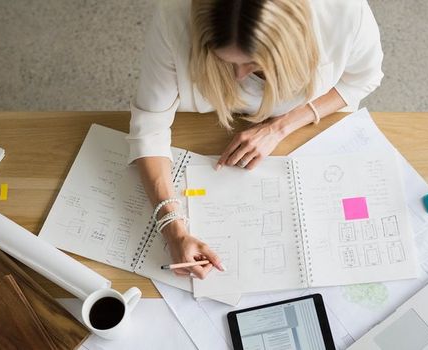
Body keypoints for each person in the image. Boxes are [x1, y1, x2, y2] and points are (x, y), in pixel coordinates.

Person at [128, 0, 384, 279]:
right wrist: (174, 228)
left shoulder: (345, 12)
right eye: (225, 60)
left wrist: (280, 127)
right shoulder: (173, 18)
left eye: (253, 63)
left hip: (309, 129)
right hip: (205, 126)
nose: (239, 75)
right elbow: (150, 124)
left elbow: (361, 79)